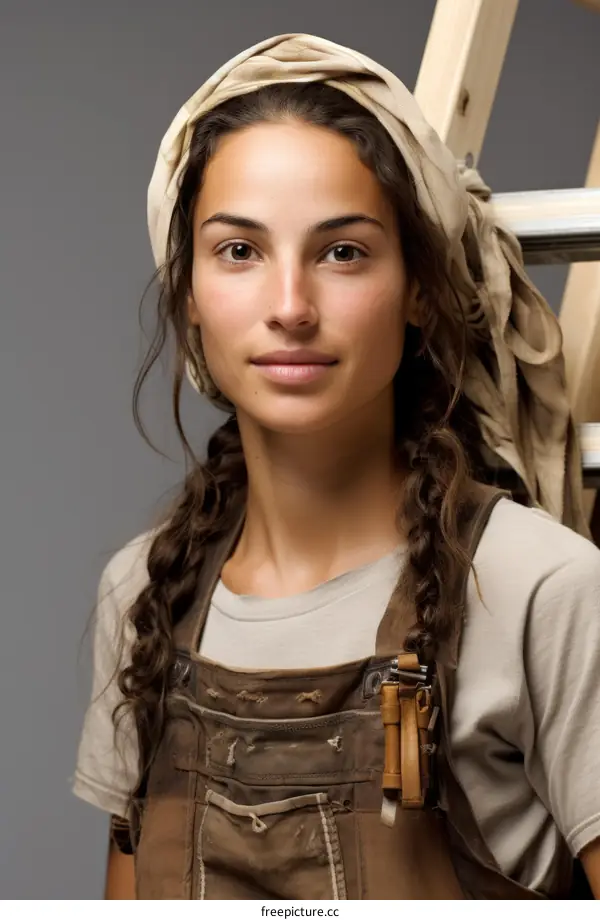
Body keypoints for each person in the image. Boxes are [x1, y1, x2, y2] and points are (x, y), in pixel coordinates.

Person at [72, 34, 600, 900]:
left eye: (343, 251)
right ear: (190, 295)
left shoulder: (545, 590)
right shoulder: (142, 595)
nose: (290, 308)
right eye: (239, 251)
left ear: (420, 287)